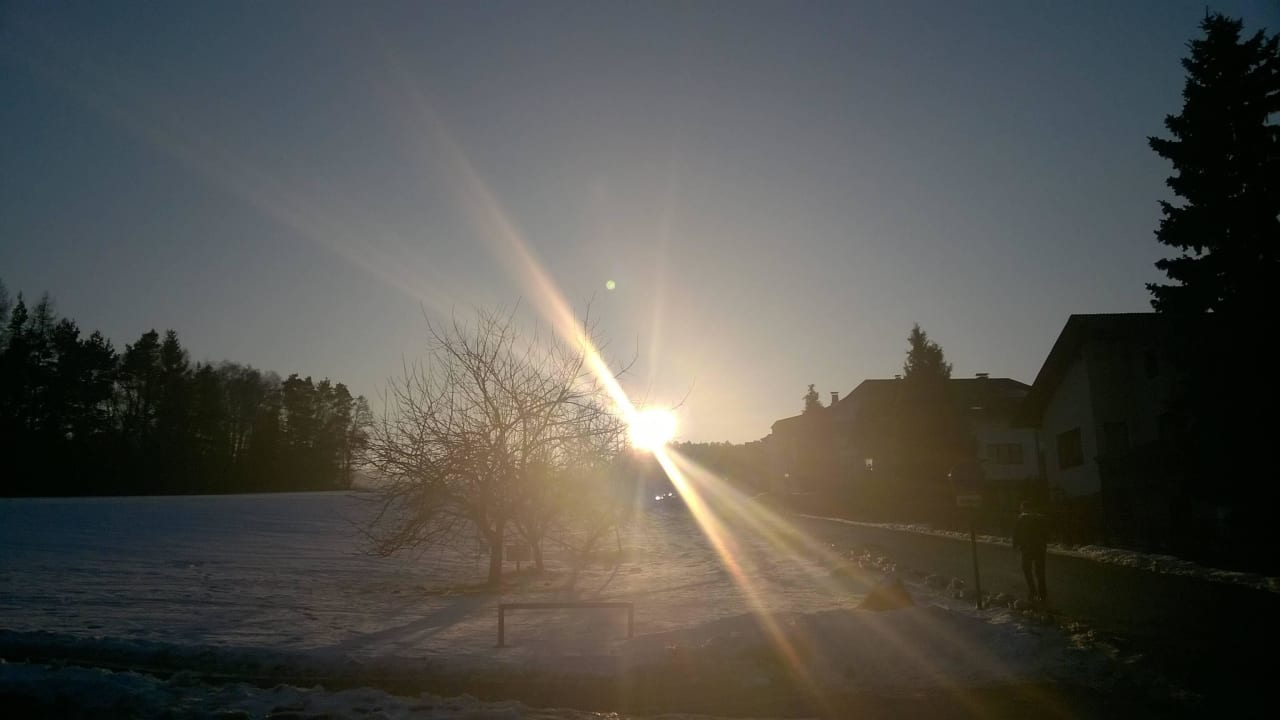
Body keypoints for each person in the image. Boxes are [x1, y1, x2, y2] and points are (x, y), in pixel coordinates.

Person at [1012, 500, 1048, 603]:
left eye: (1021, 507)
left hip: (1027, 548)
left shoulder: (1022, 518)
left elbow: (1016, 533)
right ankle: (1043, 593)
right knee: (1040, 571)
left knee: (1026, 569)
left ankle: (1032, 591)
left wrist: (1015, 545)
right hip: (1040, 548)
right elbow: (1046, 533)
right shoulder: (1041, 518)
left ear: (1024, 508)